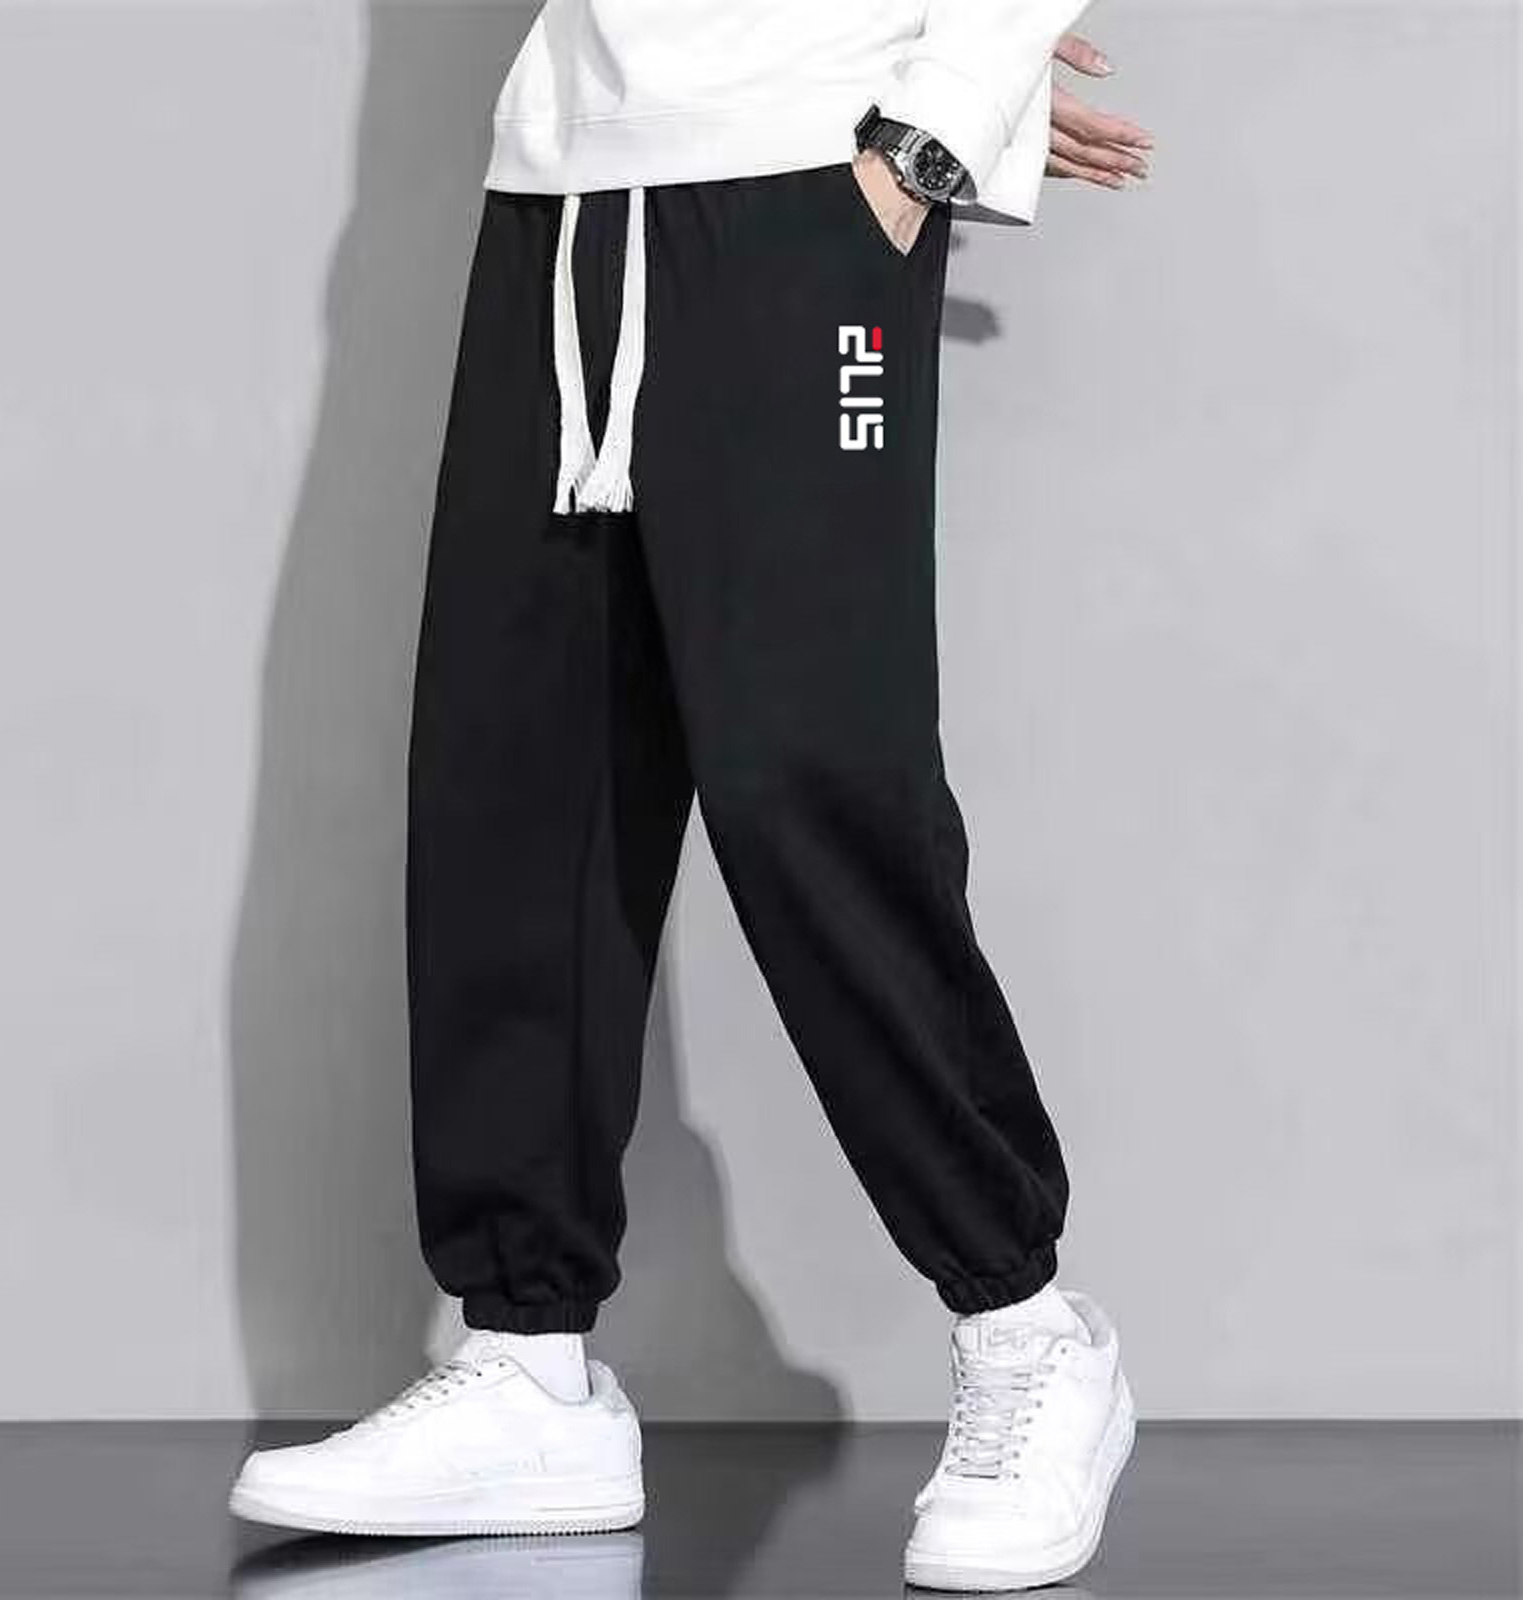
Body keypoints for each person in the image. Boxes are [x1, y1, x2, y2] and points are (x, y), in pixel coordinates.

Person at [230, 2, 1153, 1589]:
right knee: (519, 776)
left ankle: (1027, 1324)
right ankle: (529, 1361)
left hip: (813, 172)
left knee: (811, 773)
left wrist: (943, 115)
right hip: (566, 180)